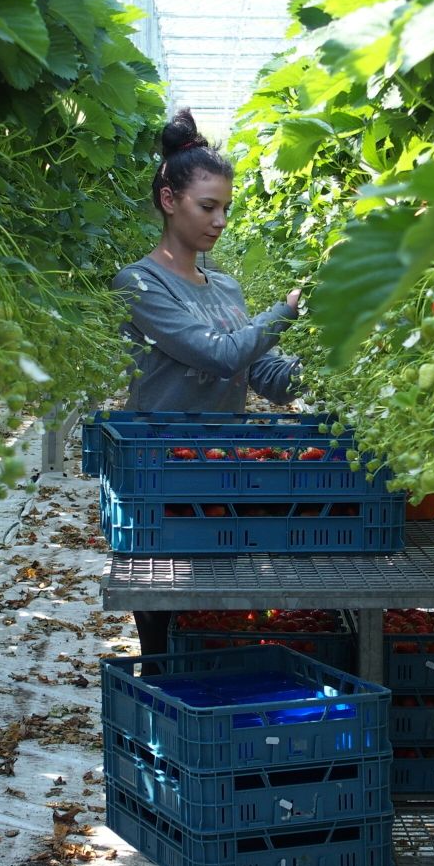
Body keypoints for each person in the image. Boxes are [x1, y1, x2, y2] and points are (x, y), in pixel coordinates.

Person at [111, 108, 304, 658]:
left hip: (223, 463)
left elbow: (262, 376)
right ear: (170, 201)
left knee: (213, 601)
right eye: (208, 206)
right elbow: (218, 356)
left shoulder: (226, 287)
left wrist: (334, 352)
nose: (219, 221)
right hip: (161, 464)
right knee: (162, 601)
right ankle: (158, 690)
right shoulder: (140, 283)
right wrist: (283, 313)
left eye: (225, 208)